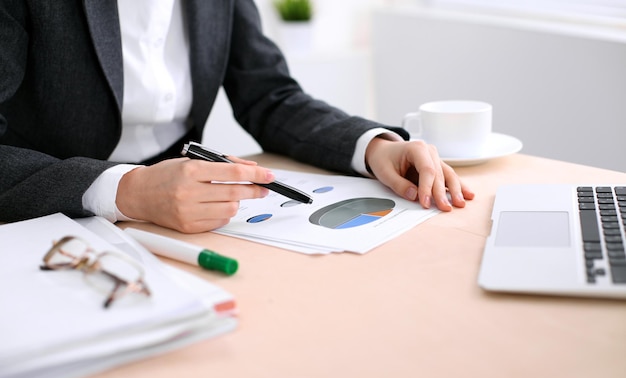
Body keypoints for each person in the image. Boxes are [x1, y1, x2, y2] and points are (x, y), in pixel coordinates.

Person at [0, 0, 474, 233]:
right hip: (51, 220)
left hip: (187, 227)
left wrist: (374, 147)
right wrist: (127, 189)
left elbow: (269, 95)